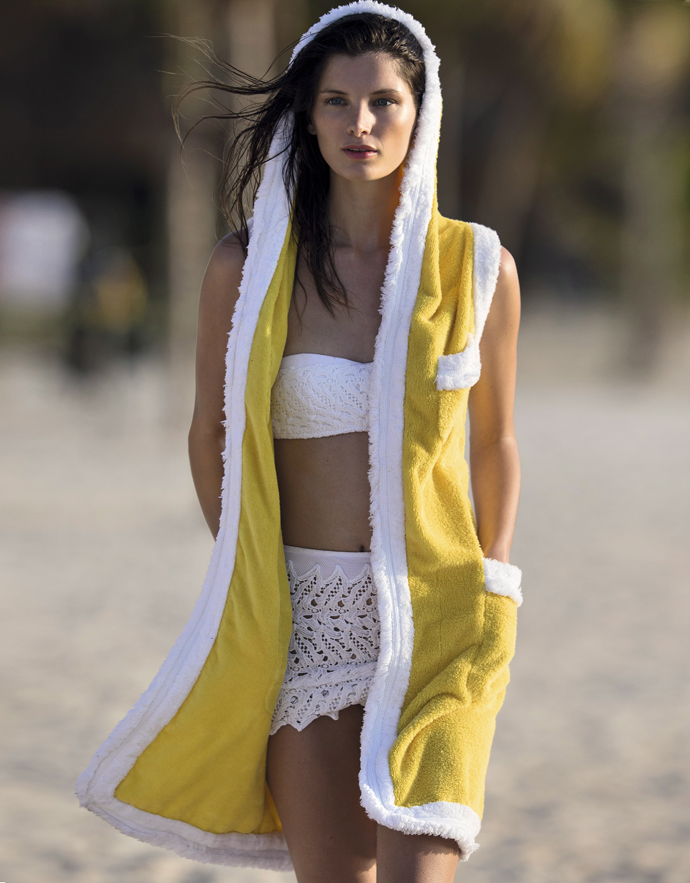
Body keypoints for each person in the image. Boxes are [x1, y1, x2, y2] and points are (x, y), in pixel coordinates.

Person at [76, 6, 522, 882]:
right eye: (336, 102)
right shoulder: (247, 269)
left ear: (421, 113)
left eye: (384, 102)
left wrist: (495, 578)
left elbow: (497, 438)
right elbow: (210, 429)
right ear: (307, 118)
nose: (362, 123)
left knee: (425, 862)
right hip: (301, 618)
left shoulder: (478, 268)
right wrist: (242, 563)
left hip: (437, 612)